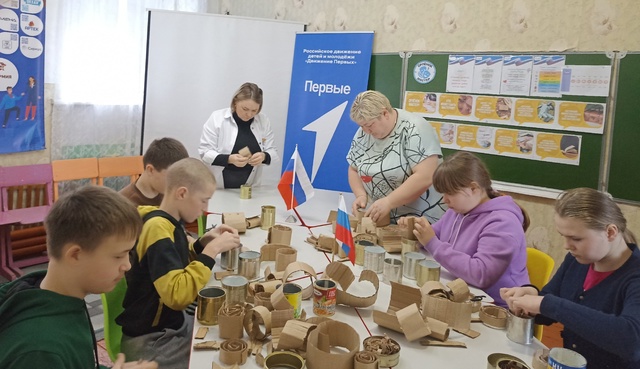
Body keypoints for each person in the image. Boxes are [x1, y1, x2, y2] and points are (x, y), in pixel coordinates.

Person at [0, 186, 157, 369]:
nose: (127, 265)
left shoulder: (62, 298)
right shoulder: (39, 352)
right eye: (118, 256)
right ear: (75, 255)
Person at [117, 158, 241, 369]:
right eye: (204, 200)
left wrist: (202, 244)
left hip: (168, 326)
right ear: (182, 193)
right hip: (152, 340)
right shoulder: (157, 228)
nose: (205, 209)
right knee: (216, 358)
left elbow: (174, 261)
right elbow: (177, 295)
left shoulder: (166, 222)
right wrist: (211, 252)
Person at [501, 188, 640, 369]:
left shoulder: (634, 276)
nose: (567, 246)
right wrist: (531, 297)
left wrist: (547, 304)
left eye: (576, 238)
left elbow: (631, 342)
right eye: (563, 237)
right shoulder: (578, 260)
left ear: (611, 232)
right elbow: (550, 303)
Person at [401, 151, 530, 306]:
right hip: (462, 295)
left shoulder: (503, 223)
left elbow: (480, 274)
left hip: (495, 308)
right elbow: (434, 235)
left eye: (450, 193)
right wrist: (415, 230)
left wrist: (431, 242)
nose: (445, 200)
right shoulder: (458, 210)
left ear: (473, 188)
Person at [347, 90, 446, 224]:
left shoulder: (415, 128)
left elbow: (426, 176)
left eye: (370, 125)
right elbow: (354, 168)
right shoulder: (364, 132)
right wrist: (360, 195)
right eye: (362, 126)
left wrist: (389, 201)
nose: (366, 131)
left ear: (385, 113)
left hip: (421, 219)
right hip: (384, 219)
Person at [198, 82, 279, 188]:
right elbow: (205, 153)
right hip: (218, 187)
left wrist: (264, 156)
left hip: (251, 188)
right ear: (235, 102)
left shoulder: (263, 121)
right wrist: (229, 159)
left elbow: (272, 151)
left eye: (254, 110)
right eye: (245, 109)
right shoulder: (217, 118)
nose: (249, 114)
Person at [120, 137, 189, 206]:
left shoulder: (173, 194)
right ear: (150, 170)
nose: (177, 183)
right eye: (172, 177)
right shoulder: (125, 204)